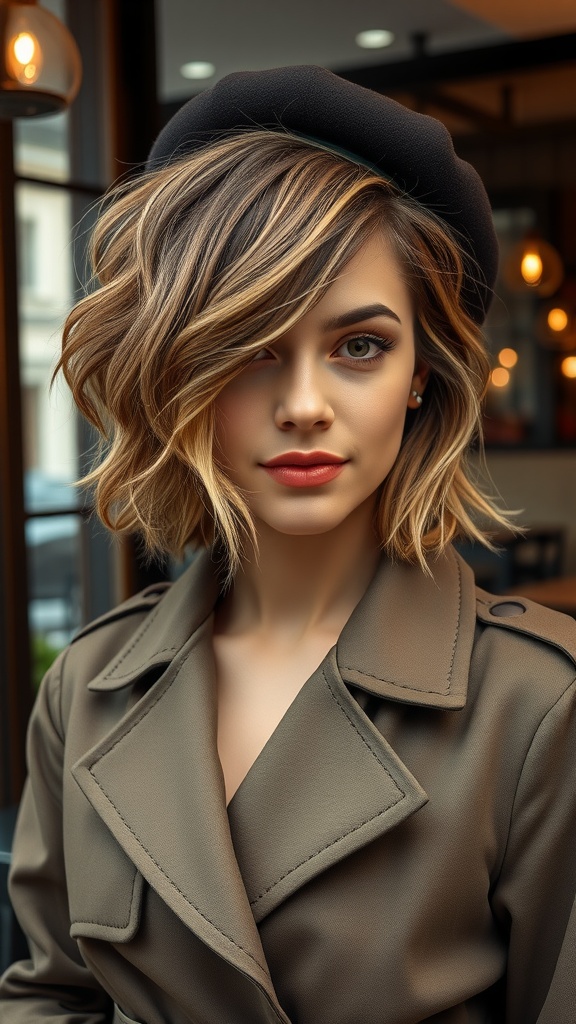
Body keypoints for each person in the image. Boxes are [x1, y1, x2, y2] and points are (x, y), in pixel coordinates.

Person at [1, 65, 575, 1024]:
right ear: (181, 370)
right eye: (252, 347)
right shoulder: (88, 690)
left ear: (421, 375)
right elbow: (51, 996)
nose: (304, 405)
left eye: (360, 346)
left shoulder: (537, 707)